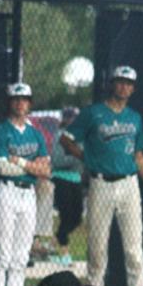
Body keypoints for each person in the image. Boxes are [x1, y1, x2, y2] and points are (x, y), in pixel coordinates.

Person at [60, 66, 143, 286]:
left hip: (129, 184)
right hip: (101, 182)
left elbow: (139, 156)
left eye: (128, 83)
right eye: (120, 82)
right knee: (97, 248)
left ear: (133, 88)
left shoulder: (134, 118)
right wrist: (86, 158)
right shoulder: (93, 113)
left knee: (134, 249)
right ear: (111, 84)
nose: (124, 87)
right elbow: (66, 140)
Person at [0, 82, 51, 286]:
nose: (20, 103)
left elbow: (46, 170)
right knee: (2, 254)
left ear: (29, 104)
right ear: (10, 103)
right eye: (16, 99)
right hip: (5, 190)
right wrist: (32, 167)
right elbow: (2, 168)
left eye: (24, 99)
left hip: (28, 194)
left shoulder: (35, 133)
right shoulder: (0, 130)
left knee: (21, 256)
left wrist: (21, 162)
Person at [49, 107, 83, 266]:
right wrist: (77, 157)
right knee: (66, 215)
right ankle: (64, 253)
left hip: (76, 180)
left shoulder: (79, 136)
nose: (73, 121)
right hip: (61, 179)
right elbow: (57, 161)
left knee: (76, 218)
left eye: (75, 118)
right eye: (70, 118)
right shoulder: (59, 135)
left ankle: (53, 242)